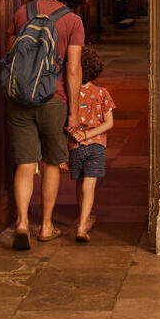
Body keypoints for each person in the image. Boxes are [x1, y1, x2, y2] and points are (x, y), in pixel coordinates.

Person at [6, 0, 85, 249]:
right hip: (54, 98)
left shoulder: (21, 13)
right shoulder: (73, 21)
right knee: (51, 163)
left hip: (20, 99)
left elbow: (11, 58)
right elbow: (73, 69)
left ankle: (22, 223)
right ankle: (47, 226)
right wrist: (74, 112)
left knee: (25, 163)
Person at [66, 45, 116, 242]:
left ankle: (83, 218)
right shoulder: (102, 93)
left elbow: (65, 121)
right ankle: (82, 225)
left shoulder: (71, 94)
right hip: (96, 147)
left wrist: (78, 136)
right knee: (90, 184)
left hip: (75, 147)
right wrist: (90, 135)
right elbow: (109, 123)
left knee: (80, 183)